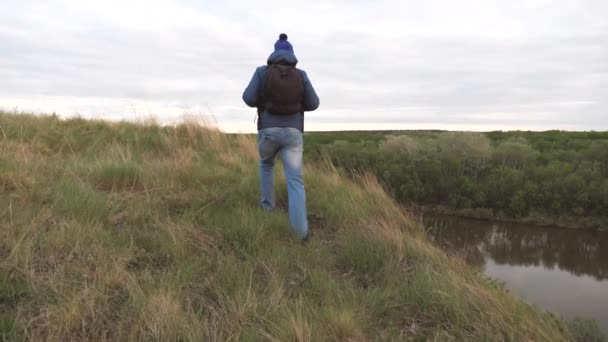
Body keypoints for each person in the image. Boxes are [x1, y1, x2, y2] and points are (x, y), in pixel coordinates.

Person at [242, 33, 320, 241]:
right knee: (295, 180)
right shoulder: (301, 75)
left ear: (274, 52)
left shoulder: (262, 72)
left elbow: (248, 98)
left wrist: (264, 101)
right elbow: (314, 104)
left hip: (268, 130)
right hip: (293, 134)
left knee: (266, 164)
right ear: (292, 54)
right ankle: (301, 234)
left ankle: (267, 208)